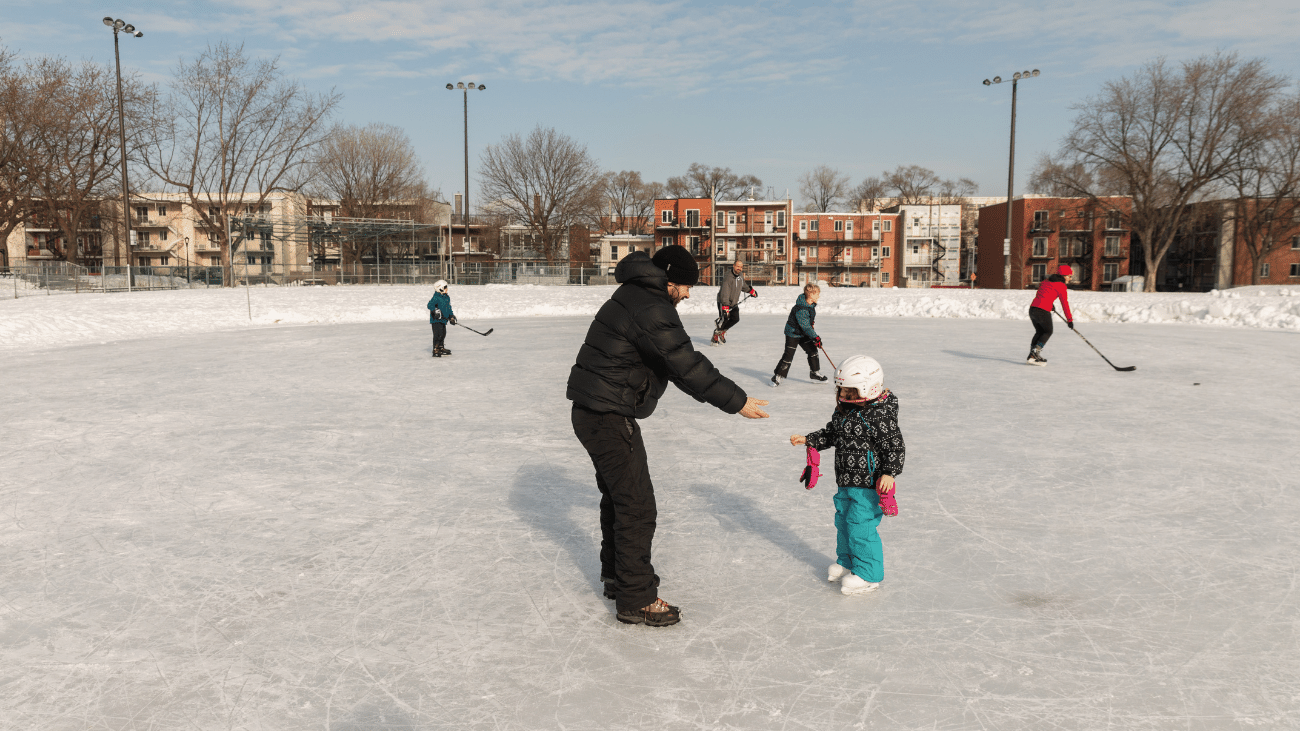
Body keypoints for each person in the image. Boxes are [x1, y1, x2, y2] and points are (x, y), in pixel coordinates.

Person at [567, 245, 770, 627]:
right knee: (637, 506)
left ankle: (617, 578)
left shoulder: (636, 292)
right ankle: (635, 598)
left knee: (619, 499)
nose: (690, 293)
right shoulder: (652, 306)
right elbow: (686, 365)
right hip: (606, 414)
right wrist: (736, 401)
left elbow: (674, 364)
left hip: (593, 409)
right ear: (670, 280)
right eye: (686, 286)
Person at [789, 355, 905, 595]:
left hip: (869, 485)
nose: (843, 396)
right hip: (845, 481)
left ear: (868, 389)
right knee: (843, 522)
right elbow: (832, 433)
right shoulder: (844, 410)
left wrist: (889, 473)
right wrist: (810, 439)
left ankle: (869, 574)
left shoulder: (880, 415)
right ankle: (848, 561)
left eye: (849, 392)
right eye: (841, 390)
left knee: (860, 526)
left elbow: (894, 446)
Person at [771, 282, 828, 386]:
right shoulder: (801, 308)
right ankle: (777, 376)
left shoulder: (810, 305)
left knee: (812, 350)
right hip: (792, 333)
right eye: (817, 294)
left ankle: (814, 373)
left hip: (802, 333)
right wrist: (816, 337)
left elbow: (808, 323)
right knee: (788, 355)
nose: (819, 296)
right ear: (811, 295)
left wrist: (812, 326)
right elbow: (805, 326)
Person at [1027, 264, 1074, 366]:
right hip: (1042, 311)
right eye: (1069, 276)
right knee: (1048, 331)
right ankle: (1034, 354)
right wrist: (1070, 320)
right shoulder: (1062, 286)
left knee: (1039, 332)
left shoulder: (1046, 281)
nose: (1070, 279)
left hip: (1033, 309)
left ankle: (1032, 355)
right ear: (1064, 276)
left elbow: (1043, 293)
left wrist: (1050, 303)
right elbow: (1065, 304)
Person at [712, 258, 757, 345]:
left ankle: (722, 332)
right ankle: (715, 336)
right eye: (737, 266)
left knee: (735, 318)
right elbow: (725, 291)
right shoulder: (728, 277)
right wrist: (725, 306)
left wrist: (750, 291)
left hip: (733, 303)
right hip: (723, 301)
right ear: (733, 266)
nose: (739, 268)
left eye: (741, 267)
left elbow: (742, 285)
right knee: (724, 320)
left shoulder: (740, 275)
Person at [427, 280, 456, 357]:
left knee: (443, 334)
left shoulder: (446, 297)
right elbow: (430, 305)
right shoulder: (436, 297)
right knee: (438, 334)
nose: (447, 289)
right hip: (436, 320)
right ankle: (436, 349)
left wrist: (451, 316)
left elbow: (448, 308)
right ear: (440, 288)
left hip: (443, 320)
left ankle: (441, 347)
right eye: (445, 287)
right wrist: (435, 311)